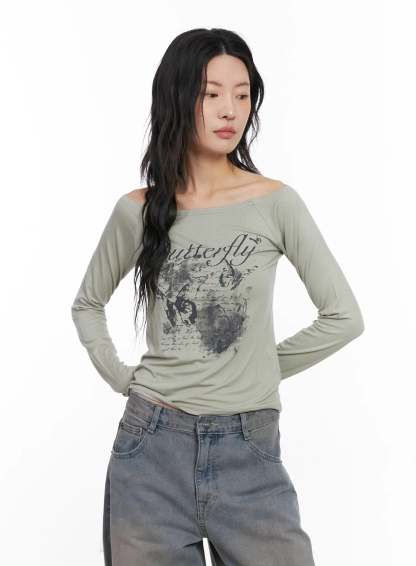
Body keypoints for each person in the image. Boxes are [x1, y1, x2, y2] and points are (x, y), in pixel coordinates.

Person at [71, 27, 364, 566]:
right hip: (151, 450)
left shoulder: (275, 203)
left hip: (249, 449)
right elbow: (87, 304)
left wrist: (257, 366)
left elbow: (344, 316)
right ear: (178, 97)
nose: (230, 110)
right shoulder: (139, 210)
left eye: (243, 94)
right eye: (211, 94)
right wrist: (122, 377)